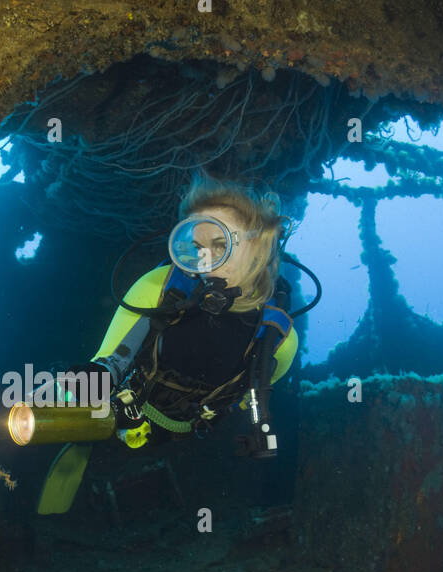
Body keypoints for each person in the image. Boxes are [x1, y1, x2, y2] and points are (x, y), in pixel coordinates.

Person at [37, 173, 301, 514]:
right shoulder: (156, 289)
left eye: (220, 245)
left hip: (194, 431)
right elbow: (108, 360)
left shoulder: (279, 342)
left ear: (259, 246)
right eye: (197, 246)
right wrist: (74, 389)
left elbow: (247, 397)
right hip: (131, 408)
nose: (204, 262)